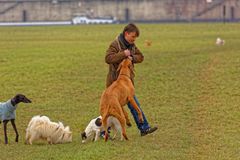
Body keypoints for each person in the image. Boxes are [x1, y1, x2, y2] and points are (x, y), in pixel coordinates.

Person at [105, 23, 158, 136]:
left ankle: (144, 128)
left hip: (127, 84)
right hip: (115, 84)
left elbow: (141, 57)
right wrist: (122, 54)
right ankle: (103, 131)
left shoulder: (132, 45)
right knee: (111, 108)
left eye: (135, 37)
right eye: (133, 36)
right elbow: (108, 58)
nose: (134, 39)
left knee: (134, 105)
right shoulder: (115, 44)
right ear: (126, 34)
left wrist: (132, 58)